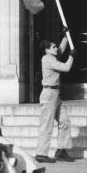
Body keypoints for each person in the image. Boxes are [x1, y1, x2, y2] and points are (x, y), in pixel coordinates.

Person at [35, 30, 76, 164]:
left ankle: (61, 150)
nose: (56, 48)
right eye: (53, 47)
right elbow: (66, 68)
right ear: (47, 50)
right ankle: (41, 153)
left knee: (65, 121)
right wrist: (71, 56)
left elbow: (61, 49)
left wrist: (65, 36)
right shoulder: (47, 59)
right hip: (49, 94)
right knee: (47, 125)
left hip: (56, 95)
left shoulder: (52, 56)